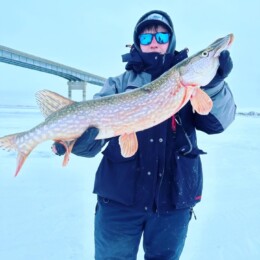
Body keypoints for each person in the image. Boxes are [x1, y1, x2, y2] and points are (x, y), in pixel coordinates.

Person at [52, 10, 236, 260]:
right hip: (119, 200)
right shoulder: (118, 83)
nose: (154, 42)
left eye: (161, 36)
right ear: (137, 43)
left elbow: (218, 123)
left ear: (171, 40)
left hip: (173, 201)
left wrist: (214, 84)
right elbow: (96, 136)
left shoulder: (193, 86)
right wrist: (79, 144)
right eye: (147, 38)